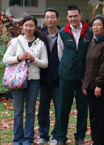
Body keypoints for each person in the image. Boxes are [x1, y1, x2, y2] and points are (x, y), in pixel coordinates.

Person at [3, 16, 50, 145]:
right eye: (26, 26)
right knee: (18, 111)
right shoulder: (16, 41)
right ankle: (17, 139)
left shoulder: (40, 43)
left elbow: (45, 63)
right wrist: (19, 57)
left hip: (34, 80)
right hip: (18, 80)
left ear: (35, 27)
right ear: (22, 27)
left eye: (31, 26)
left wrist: (33, 59)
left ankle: (28, 139)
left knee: (30, 111)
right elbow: (6, 59)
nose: (28, 28)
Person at [51, 5, 92, 145]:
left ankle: (80, 136)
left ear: (80, 16)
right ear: (67, 17)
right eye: (70, 16)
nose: (73, 19)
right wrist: (67, 67)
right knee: (63, 108)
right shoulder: (63, 33)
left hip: (83, 77)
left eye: (75, 16)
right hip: (66, 76)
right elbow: (60, 53)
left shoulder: (89, 32)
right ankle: (61, 137)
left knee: (82, 108)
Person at [81, 15, 104, 145]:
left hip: (102, 88)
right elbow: (89, 65)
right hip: (90, 86)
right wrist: (85, 84)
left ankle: (103, 142)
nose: (95, 27)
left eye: (99, 25)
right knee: (94, 116)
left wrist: (99, 85)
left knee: (102, 116)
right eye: (93, 25)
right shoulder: (93, 42)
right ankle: (96, 141)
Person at [38, 8, 63, 145]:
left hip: (58, 79)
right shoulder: (40, 35)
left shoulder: (64, 35)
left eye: (52, 17)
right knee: (43, 109)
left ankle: (57, 136)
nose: (49, 20)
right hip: (42, 79)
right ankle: (43, 135)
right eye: (47, 17)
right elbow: (25, 39)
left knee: (59, 109)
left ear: (57, 19)